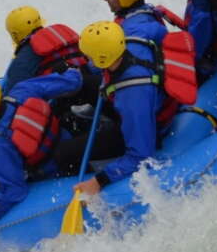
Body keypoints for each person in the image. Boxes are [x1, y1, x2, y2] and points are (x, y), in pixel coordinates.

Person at [0, 61, 85, 233]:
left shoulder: (0, 144)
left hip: (57, 172)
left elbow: (15, 191)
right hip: (73, 143)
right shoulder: (23, 89)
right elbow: (72, 82)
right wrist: (74, 72)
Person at [70, 19, 166, 205]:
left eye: (88, 55)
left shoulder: (132, 99)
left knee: (63, 154)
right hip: (138, 91)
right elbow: (159, 30)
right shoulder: (132, 34)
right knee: (83, 83)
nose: (85, 56)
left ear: (102, 58)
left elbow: (140, 155)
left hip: (146, 120)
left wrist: (98, 181)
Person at [0, 6, 85, 93]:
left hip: (59, 95)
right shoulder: (61, 34)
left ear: (15, 34)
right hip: (85, 81)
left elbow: (12, 90)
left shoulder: (26, 53)